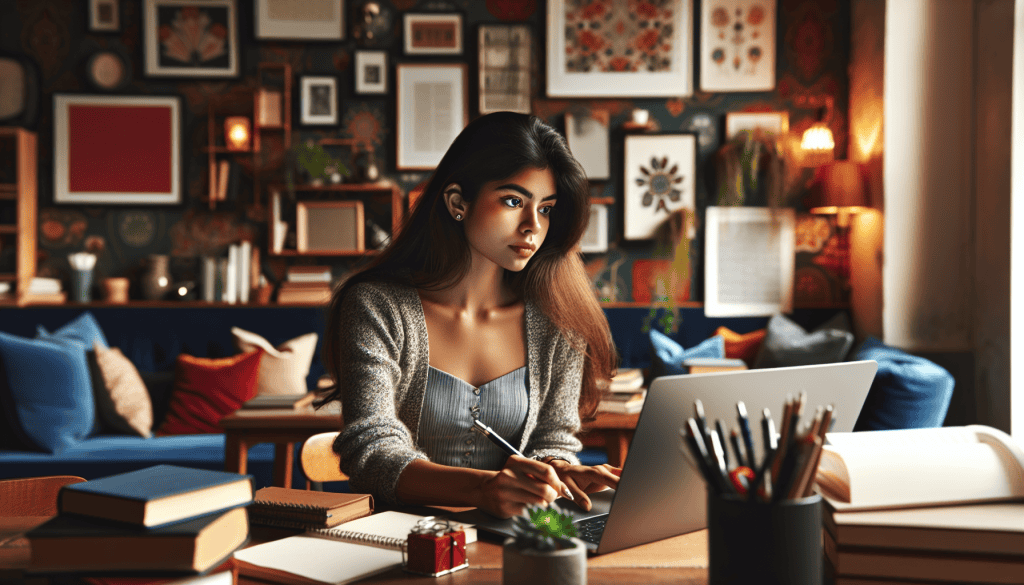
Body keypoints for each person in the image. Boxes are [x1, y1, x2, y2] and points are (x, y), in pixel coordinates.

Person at [318, 112, 620, 519]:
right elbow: (371, 450)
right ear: (458, 202)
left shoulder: (557, 318)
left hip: (511, 543)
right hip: (401, 543)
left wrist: (559, 474)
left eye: (546, 208)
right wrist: (484, 488)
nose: (533, 226)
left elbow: (552, 439)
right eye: (514, 201)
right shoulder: (376, 306)